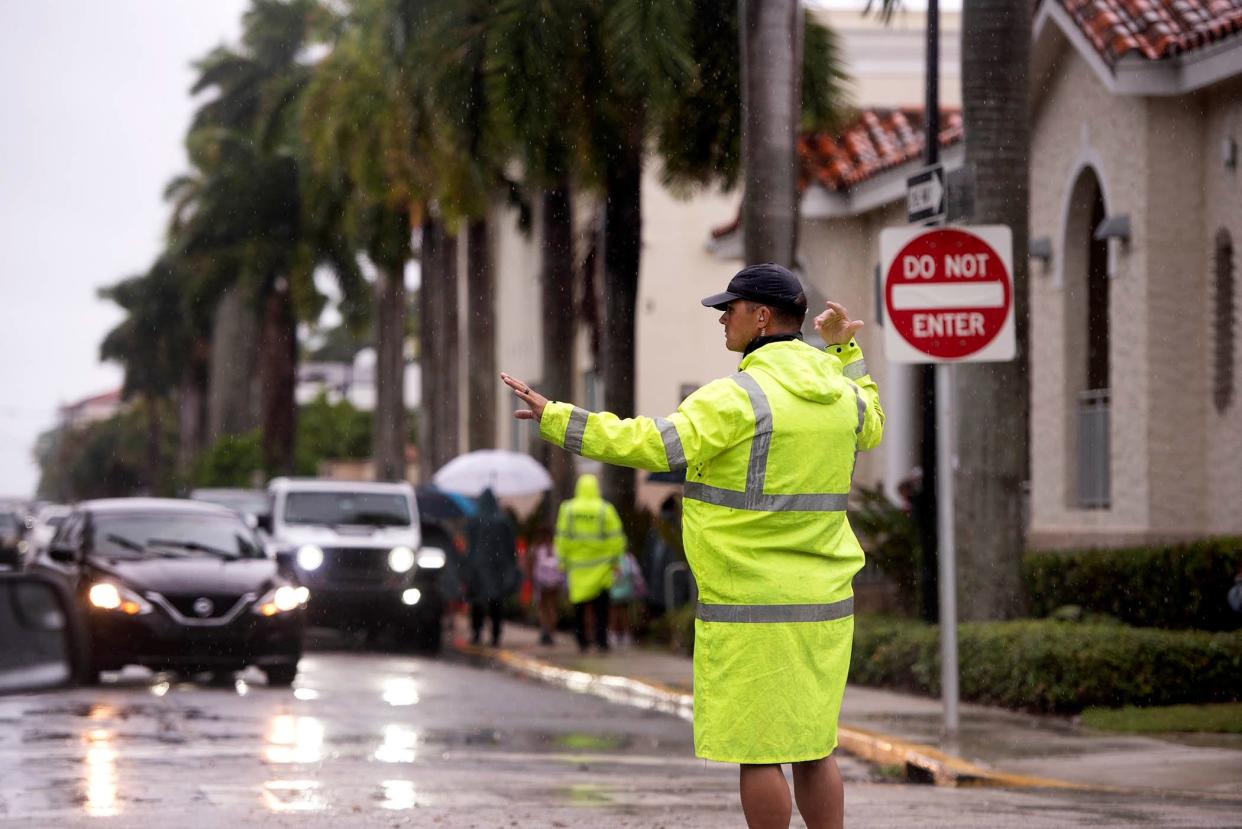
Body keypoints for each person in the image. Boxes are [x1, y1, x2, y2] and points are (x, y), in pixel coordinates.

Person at [502, 262, 883, 829]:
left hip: (750, 605)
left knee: (758, 752)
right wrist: (844, 353)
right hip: (824, 605)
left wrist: (560, 418)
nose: (721, 319)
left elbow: (652, 444)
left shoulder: (737, 398)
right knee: (813, 745)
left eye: (728, 309)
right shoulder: (839, 393)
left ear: (761, 317)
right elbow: (872, 421)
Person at [553, 473, 625, 653]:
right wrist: (616, 560)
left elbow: (561, 537)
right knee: (602, 608)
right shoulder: (604, 509)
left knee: (579, 606)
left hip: (577, 567)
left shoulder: (568, 509)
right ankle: (602, 641)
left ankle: (582, 640)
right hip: (601, 567)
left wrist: (562, 562)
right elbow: (616, 537)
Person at [463, 488, 519, 647]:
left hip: (479, 567)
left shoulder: (475, 519)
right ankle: (495, 635)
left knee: (478, 602)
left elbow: (470, 545)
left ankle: (477, 633)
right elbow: (510, 546)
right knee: (496, 602)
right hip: (498, 567)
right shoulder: (502, 520)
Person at [527, 526, 563, 645]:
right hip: (554, 582)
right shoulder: (557, 548)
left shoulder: (536, 549)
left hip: (541, 582)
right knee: (552, 607)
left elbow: (530, 565)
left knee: (542, 608)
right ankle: (551, 632)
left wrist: (531, 579)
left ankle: (545, 631)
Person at [609, 549, 646, 647]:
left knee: (618, 613)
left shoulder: (618, 558)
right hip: (623, 591)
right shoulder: (628, 558)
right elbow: (636, 574)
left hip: (618, 592)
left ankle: (618, 634)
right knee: (620, 613)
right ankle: (622, 634)